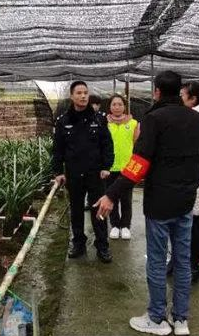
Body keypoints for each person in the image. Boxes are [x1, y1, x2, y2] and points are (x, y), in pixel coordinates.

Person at [94, 71, 199, 335]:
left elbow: (139, 162)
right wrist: (190, 184)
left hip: (159, 202)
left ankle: (157, 318)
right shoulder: (196, 119)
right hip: (185, 202)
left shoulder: (154, 119)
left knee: (157, 261)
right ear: (178, 92)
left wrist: (112, 194)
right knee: (183, 260)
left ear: (157, 91)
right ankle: (180, 319)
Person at [52, 81, 114, 263]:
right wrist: (58, 171)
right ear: (72, 96)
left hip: (95, 174)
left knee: (99, 210)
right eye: (79, 93)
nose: (83, 96)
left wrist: (106, 167)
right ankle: (78, 243)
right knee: (76, 210)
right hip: (74, 174)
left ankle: (102, 245)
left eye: (85, 92)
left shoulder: (98, 119)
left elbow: (107, 144)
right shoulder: (63, 121)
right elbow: (58, 149)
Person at [165, 82, 199, 282]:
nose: (179, 98)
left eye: (182, 95)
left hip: (191, 177)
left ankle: (189, 265)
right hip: (193, 177)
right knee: (191, 221)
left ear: (193, 99)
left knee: (190, 222)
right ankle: (188, 264)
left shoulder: (195, 117)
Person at [106, 94, 140, 240]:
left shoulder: (133, 123)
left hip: (128, 168)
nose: (117, 107)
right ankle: (114, 225)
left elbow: (137, 145)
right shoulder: (105, 123)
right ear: (110, 107)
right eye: (114, 104)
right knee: (111, 197)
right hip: (110, 167)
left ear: (125, 106)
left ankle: (125, 226)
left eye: (120, 104)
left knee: (126, 198)